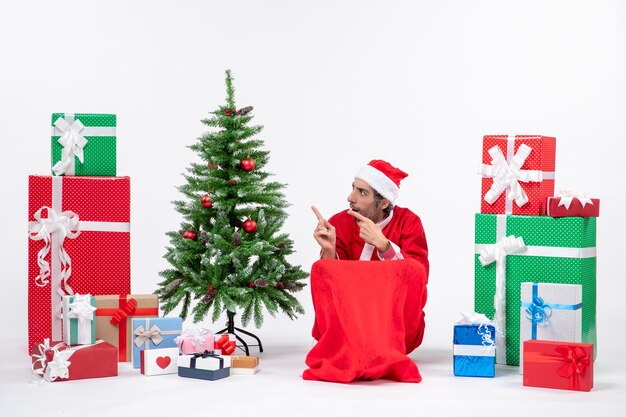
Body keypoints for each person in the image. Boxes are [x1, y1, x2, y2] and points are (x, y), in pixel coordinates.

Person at [312, 159, 429, 277]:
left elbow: (418, 277)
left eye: (362, 192)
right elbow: (330, 283)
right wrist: (329, 251)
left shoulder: (408, 222)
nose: (350, 198)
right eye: (353, 188)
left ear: (384, 203)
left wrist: (384, 246)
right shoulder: (338, 222)